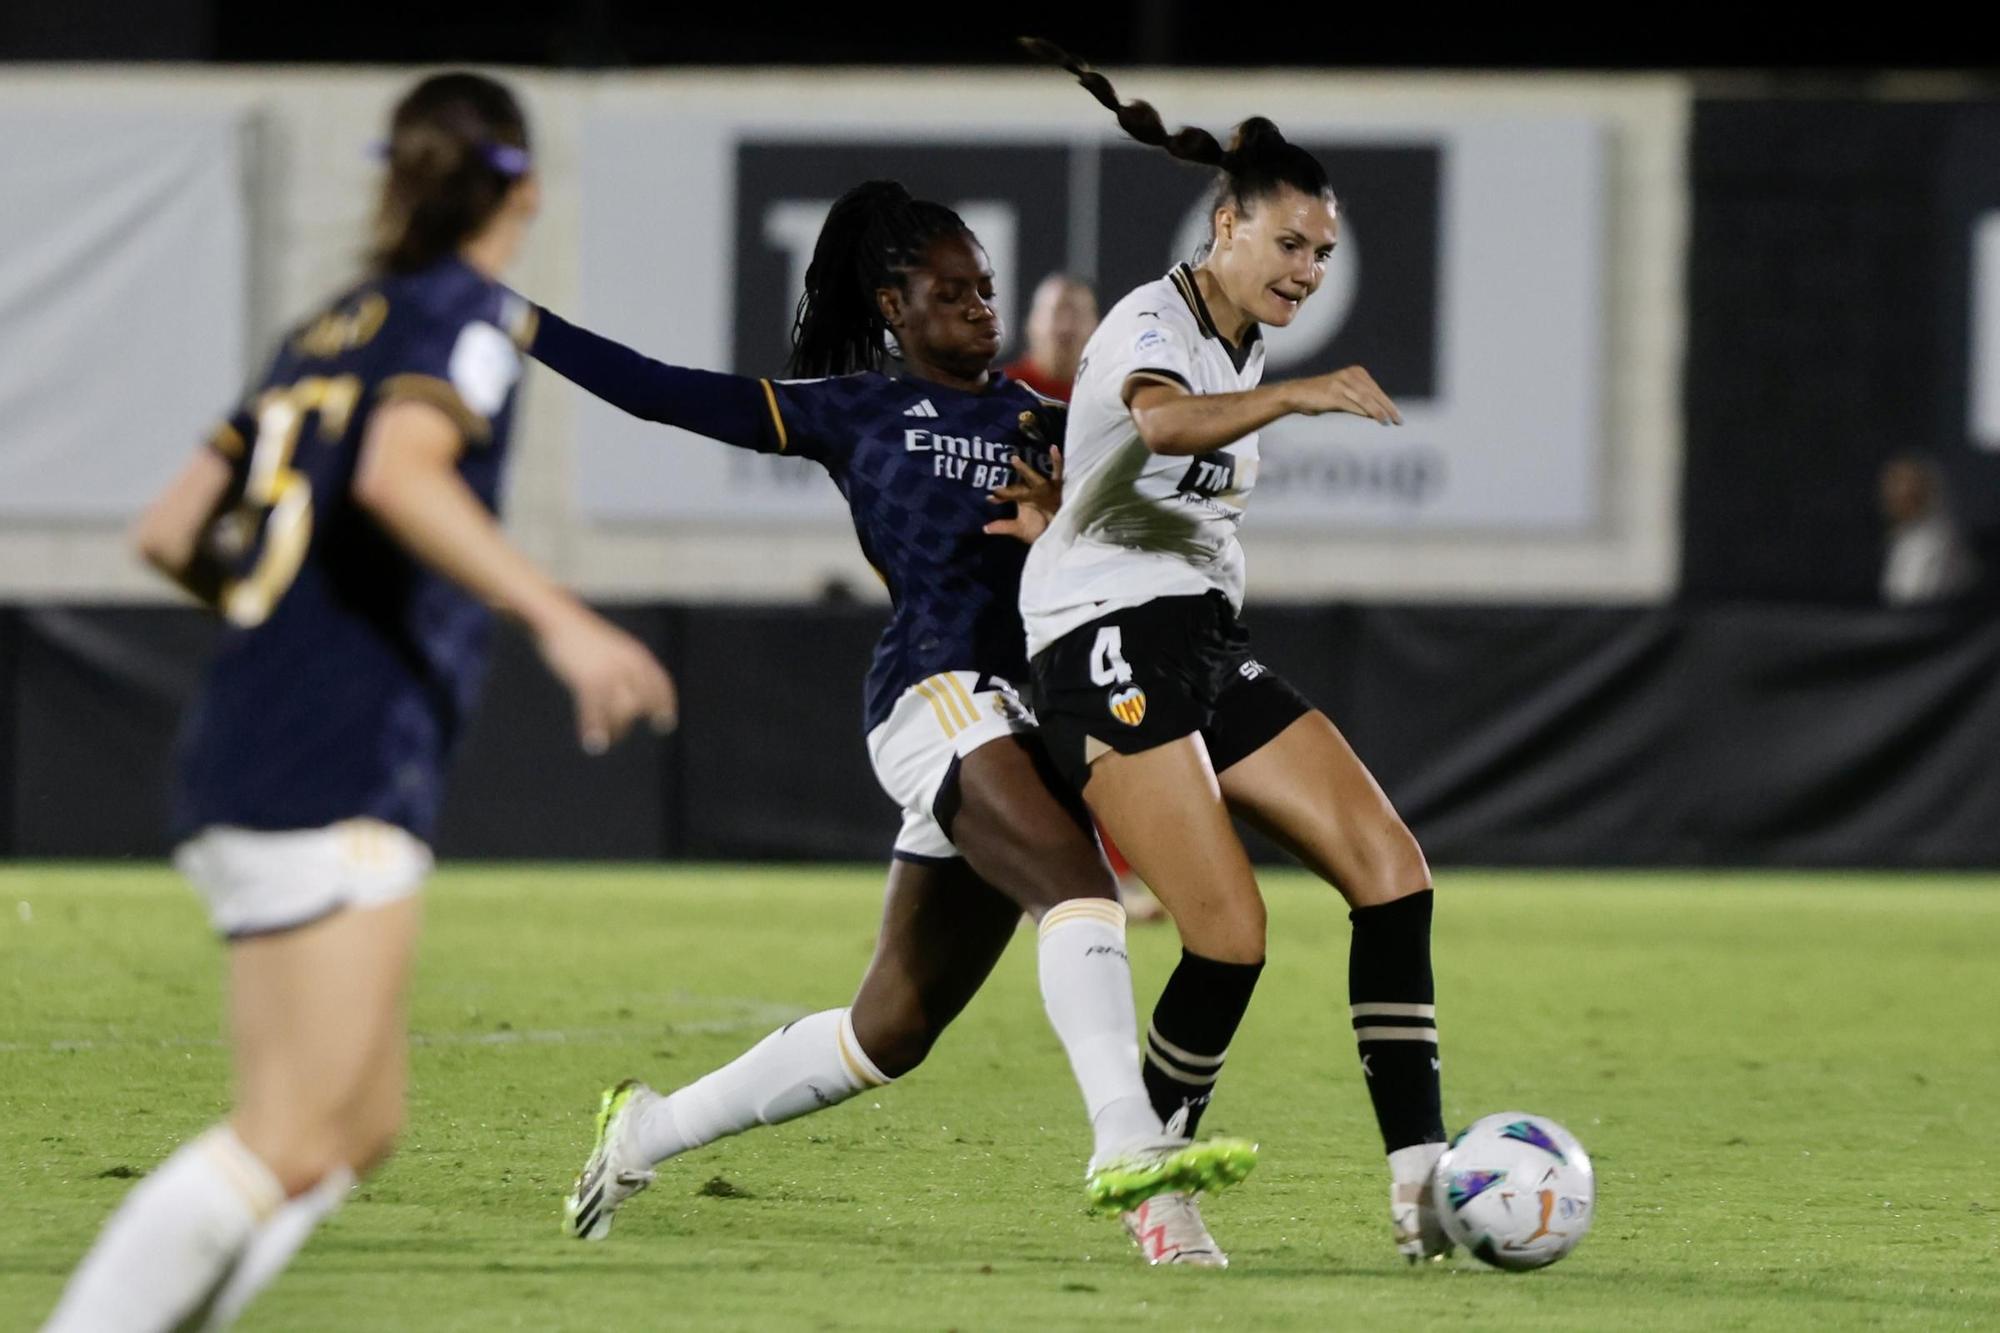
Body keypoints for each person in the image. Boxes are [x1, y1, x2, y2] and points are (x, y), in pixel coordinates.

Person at [39, 73, 678, 1333]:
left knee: (353, 1127)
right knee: (286, 1137)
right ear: (526, 189)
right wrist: (560, 618)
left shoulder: (330, 322)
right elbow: (398, 470)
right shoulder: (474, 315)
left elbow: (172, 530)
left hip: (250, 738)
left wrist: (282, 615)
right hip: (338, 755)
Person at [522, 179, 1254, 1262]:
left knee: (890, 1030)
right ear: (892, 308)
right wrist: (519, 322)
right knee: (1076, 888)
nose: (977, 307)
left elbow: (1162, 539)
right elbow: (656, 390)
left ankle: (647, 1129)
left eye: (984, 287)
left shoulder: (1049, 426)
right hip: (935, 692)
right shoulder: (853, 409)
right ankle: (1125, 1148)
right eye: (949, 292)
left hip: (1034, 717)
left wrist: (1060, 525)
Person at [1020, 40, 1452, 1263]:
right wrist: (1298, 396)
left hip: (1199, 643)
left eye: (1320, 253)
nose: (1308, 271)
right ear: (1225, 225)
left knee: (1392, 872)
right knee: (1228, 932)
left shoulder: (1240, 337)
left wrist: (1061, 493)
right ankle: (1155, 1182)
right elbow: (1157, 422)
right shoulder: (1151, 321)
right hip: (1104, 643)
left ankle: (1420, 1179)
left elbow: (1121, 465)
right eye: (1288, 246)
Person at [1879, 454, 1979, 606]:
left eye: (1900, 484)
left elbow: (1919, 601)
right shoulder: (1904, 539)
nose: (1891, 494)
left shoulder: (1940, 541)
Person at [1002, 272, 1099, 402]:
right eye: (1056, 313)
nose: (1066, 327)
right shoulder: (999, 393)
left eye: (1077, 315)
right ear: (1031, 324)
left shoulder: (1110, 398)